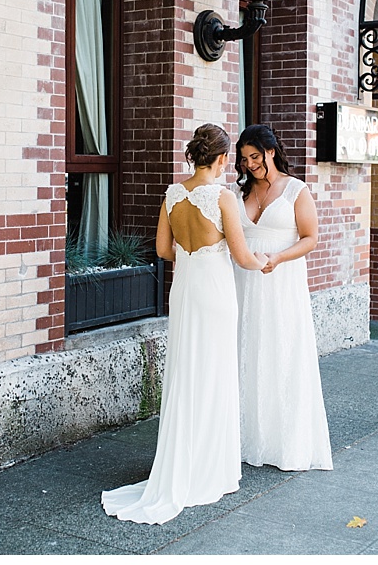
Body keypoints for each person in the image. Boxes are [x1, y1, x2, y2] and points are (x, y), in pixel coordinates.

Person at [101, 123, 268, 524]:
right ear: (224, 158)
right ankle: (209, 469)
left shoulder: (173, 194)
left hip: (186, 291)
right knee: (214, 375)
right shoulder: (224, 197)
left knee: (186, 374)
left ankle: (182, 464)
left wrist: (192, 247)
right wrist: (268, 263)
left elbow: (162, 249)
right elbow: (244, 257)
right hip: (214, 291)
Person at [232, 124, 333, 472]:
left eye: (255, 156)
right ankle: (245, 437)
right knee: (246, 350)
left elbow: (310, 238)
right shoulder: (238, 192)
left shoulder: (296, 190)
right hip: (244, 281)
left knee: (281, 351)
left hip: (281, 282)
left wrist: (278, 258)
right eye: (244, 159)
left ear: (271, 152)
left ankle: (282, 442)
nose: (250, 165)